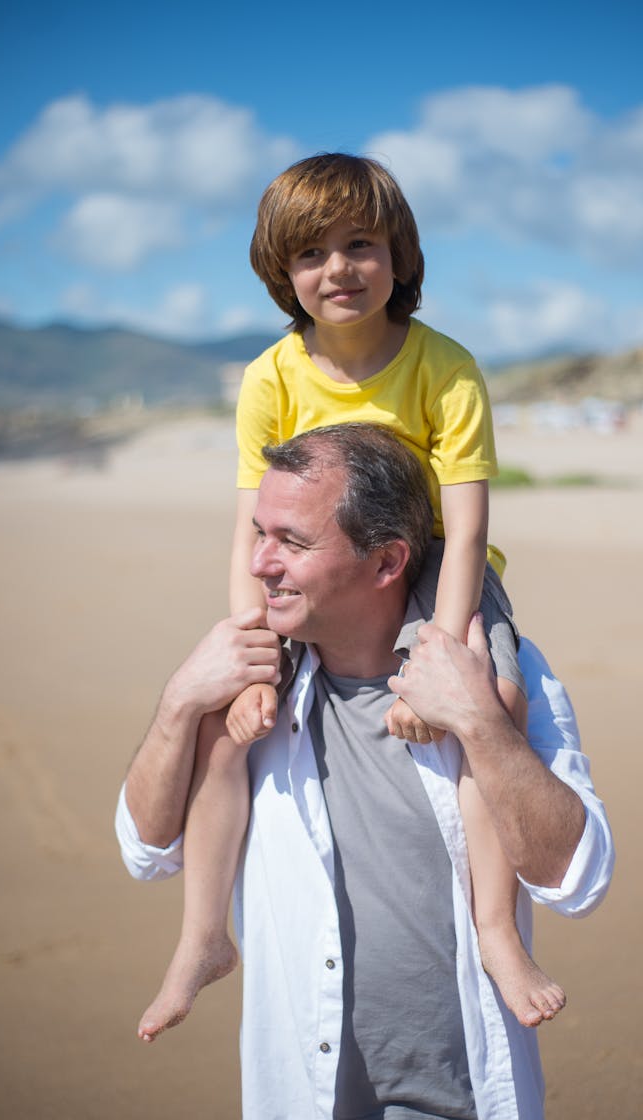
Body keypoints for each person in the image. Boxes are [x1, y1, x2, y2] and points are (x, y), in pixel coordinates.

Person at [139, 153, 554, 1042]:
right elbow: (256, 530)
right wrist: (251, 654)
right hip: (315, 573)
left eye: (360, 243)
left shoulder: (444, 366)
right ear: (281, 273)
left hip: (437, 564)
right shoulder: (271, 377)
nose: (338, 269)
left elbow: (470, 527)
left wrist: (441, 657)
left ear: (398, 255)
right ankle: (203, 938)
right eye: (311, 253)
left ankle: (493, 931)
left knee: (496, 704)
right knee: (221, 719)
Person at [116, 423, 614, 1120]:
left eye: (291, 541)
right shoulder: (253, 686)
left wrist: (478, 722)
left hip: (465, 1099)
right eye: (259, 533)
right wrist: (176, 704)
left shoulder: (506, 675)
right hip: (300, 1100)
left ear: (386, 564)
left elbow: (579, 879)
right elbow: (144, 849)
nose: (259, 564)